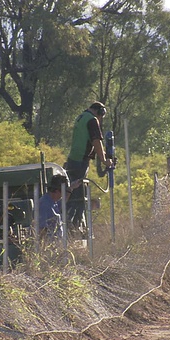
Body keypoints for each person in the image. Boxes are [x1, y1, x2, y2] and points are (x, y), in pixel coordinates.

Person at [65, 101, 113, 229]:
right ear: (100, 112)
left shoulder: (81, 117)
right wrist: (104, 160)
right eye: (102, 115)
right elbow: (96, 142)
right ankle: (74, 226)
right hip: (81, 161)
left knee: (72, 192)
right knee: (80, 196)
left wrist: (103, 155)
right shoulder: (92, 120)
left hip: (72, 160)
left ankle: (70, 224)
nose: (101, 118)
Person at [38, 175, 80, 241]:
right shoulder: (44, 205)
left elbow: (62, 202)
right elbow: (41, 230)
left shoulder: (53, 202)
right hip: (49, 247)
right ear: (57, 191)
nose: (63, 196)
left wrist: (71, 188)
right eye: (63, 193)